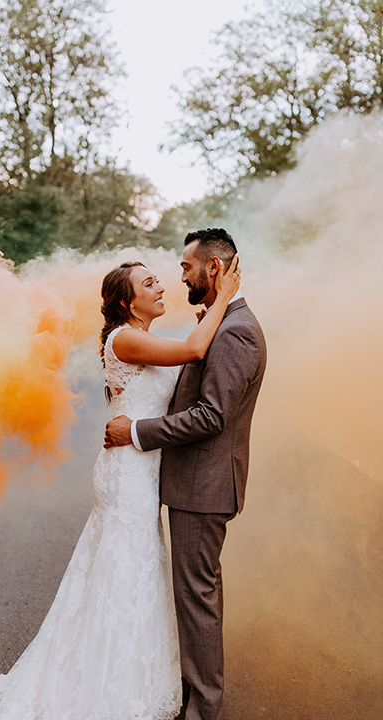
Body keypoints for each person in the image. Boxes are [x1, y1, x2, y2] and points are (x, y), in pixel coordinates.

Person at [0, 250, 240, 720]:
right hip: (128, 475)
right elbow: (194, 350)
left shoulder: (142, 336)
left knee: (131, 574)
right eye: (149, 284)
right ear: (129, 304)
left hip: (140, 471)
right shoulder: (127, 340)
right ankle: (108, 685)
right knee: (125, 573)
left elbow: (189, 348)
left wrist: (212, 312)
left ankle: (127, 674)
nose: (161, 287)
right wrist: (225, 296)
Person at [105, 228, 267, 720]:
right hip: (190, 483)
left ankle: (202, 710)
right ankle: (181, 691)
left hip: (204, 487)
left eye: (185, 268)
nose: (179, 278)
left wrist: (137, 431)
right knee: (187, 593)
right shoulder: (218, 323)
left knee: (196, 597)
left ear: (212, 269)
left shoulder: (235, 329)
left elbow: (212, 416)